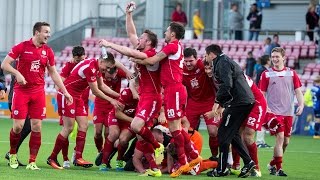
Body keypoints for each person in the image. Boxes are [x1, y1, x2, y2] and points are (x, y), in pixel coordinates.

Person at [98, 2, 164, 177]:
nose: (138, 40)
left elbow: (131, 53)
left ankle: (159, 147)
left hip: (153, 97)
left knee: (136, 127)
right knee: (141, 136)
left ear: (148, 42)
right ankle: (155, 169)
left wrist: (110, 45)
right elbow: (131, 33)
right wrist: (128, 15)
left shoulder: (151, 55)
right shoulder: (143, 47)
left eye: (142, 39)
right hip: (145, 97)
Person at [131, 22, 202, 178]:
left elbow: (151, 60)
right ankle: (192, 156)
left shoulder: (173, 46)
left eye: (167, 31)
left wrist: (137, 60)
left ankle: (184, 161)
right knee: (175, 128)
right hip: (170, 90)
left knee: (175, 128)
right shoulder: (173, 47)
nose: (164, 33)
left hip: (174, 89)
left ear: (173, 34)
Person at [1, 22, 73, 170]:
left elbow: (53, 73)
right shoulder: (21, 46)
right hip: (21, 92)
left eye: (49, 32)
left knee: (37, 126)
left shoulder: (48, 51)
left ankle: (32, 161)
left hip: (38, 92)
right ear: (37, 33)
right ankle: (12, 154)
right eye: (46, 32)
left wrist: (65, 91)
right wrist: (17, 73)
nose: (49, 35)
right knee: (18, 127)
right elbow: (5, 65)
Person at [47, 53, 123, 169]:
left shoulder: (97, 67)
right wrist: (112, 100)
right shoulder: (90, 68)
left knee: (84, 125)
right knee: (69, 128)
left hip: (77, 97)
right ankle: (52, 157)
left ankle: (78, 157)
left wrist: (119, 96)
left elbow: (102, 86)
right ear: (101, 61)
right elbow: (96, 91)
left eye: (109, 68)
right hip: (67, 95)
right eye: (106, 67)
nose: (106, 70)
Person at [204, 44, 255, 178]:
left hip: (239, 102)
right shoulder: (226, 61)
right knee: (232, 134)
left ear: (211, 54)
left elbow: (227, 84)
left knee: (223, 133)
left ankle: (221, 169)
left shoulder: (222, 62)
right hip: (244, 101)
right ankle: (248, 162)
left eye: (205, 55)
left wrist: (217, 102)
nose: (205, 58)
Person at [259, 47, 304, 176]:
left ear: (283, 58)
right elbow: (261, 93)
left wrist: (301, 105)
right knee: (280, 138)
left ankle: (272, 164)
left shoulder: (292, 73)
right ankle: (279, 169)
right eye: (273, 57)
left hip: (289, 112)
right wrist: (265, 107)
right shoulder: (266, 74)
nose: (274, 59)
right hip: (274, 113)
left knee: (285, 142)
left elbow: (298, 91)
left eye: (277, 56)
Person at [182, 47, 220, 160]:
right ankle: (190, 157)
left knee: (213, 132)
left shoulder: (204, 65)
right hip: (193, 103)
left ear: (196, 59)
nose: (188, 63)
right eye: (186, 61)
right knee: (187, 132)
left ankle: (214, 156)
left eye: (191, 61)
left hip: (209, 101)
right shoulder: (181, 69)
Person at [99, 85, 137, 171]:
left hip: (129, 121)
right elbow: (117, 114)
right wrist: (134, 120)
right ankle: (104, 162)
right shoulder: (126, 93)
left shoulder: (146, 95)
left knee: (123, 140)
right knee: (113, 134)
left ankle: (119, 159)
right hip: (117, 117)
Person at [2, 62, 30, 166]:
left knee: (27, 126)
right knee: (21, 126)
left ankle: (12, 153)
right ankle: (11, 153)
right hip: (16, 97)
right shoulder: (19, 61)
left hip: (26, 97)